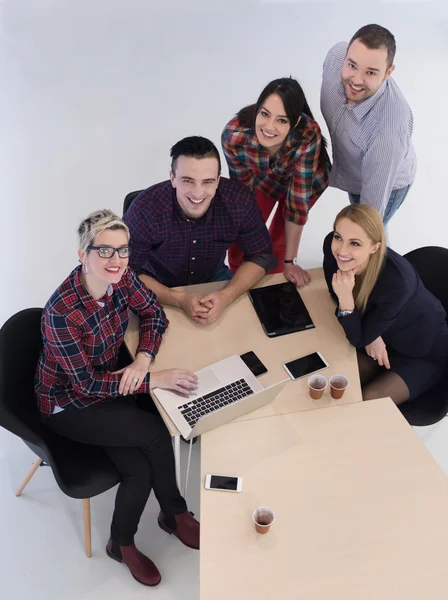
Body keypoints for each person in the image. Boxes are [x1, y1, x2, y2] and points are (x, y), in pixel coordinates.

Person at [34, 210, 200, 587]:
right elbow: (86, 387)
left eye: (123, 250)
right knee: (156, 432)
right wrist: (154, 379)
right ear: (83, 255)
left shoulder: (122, 279)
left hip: (112, 383)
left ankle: (124, 540)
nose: (117, 260)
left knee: (138, 469)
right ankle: (170, 515)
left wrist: (143, 360)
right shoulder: (61, 313)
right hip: (67, 403)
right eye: (105, 251)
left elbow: (154, 314)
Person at [124, 136, 277, 325]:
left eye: (207, 182)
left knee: (247, 328)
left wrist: (227, 296)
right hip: (156, 283)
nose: (198, 193)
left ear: (218, 179)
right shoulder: (144, 209)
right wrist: (178, 299)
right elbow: (126, 273)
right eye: (188, 181)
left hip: (213, 276)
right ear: (172, 178)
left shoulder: (239, 200)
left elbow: (260, 256)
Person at [323, 204, 448, 405]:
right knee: (336, 379)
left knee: (369, 401)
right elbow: (333, 290)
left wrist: (347, 300)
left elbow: (357, 336)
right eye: (339, 237)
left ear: (375, 246)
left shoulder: (397, 283)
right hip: (381, 334)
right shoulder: (332, 248)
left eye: (355, 243)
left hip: (422, 350)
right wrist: (373, 333)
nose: (341, 250)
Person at [222, 77, 330, 288]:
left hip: (306, 183)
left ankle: (272, 287)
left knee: (278, 241)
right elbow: (242, 196)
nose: (269, 127)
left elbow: (296, 204)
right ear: (258, 110)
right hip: (264, 180)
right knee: (239, 236)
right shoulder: (234, 136)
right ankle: (238, 280)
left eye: (282, 120)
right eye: (265, 114)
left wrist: (291, 262)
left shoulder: (308, 134)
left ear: (295, 122)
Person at [320, 24, 416, 224]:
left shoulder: (388, 131)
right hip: (356, 171)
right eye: (352, 65)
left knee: (368, 235)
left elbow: (367, 218)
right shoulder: (336, 56)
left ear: (388, 72)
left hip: (387, 185)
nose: (356, 80)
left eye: (371, 73)